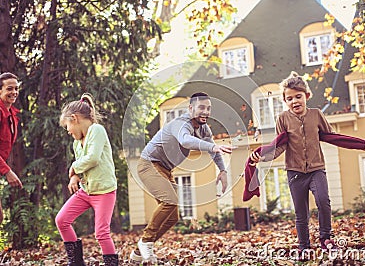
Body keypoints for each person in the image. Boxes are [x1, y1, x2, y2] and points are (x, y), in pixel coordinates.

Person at [130, 92, 234, 263]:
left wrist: (222, 170)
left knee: (172, 217)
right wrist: (214, 147)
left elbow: (212, 149)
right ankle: (147, 241)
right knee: (169, 201)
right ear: (191, 108)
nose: (205, 112)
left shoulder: (204, 128)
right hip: (149, 163)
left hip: (166, 169)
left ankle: (138, 251)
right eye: (201, 108)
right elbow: (186, 141)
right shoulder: (181, 124)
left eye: (208, 108)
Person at [249, 72, 337, 257]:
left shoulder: (316, 114)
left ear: (307, 95)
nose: (295, 101)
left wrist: (359, 144)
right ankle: (304, 246)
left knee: (323, 201)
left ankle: (325, 238)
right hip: (295, 172)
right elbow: (280, 146)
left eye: (298, 96)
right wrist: (264, 157)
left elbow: (331, 136)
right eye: (290, 98)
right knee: (301, 212)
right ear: (285, 100)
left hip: (316, 169)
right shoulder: (282, 119)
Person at [55, 93, 118, 266]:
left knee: (101, 233)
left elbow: (93, 158)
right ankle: (76, 262)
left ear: (74, 119)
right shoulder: (77, 142)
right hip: (86, 191)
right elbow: (83, 165)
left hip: (104, 192)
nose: (68, 131)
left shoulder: (96, 130)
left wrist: (74, 167)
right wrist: (74, 176)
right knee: (62, 220)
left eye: (68, 126)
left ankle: (111, 263)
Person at [0, 72, 23, 223]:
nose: (14, 92)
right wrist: (7, 171)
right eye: (9, 89)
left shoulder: (11, 114)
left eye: (16, 88)